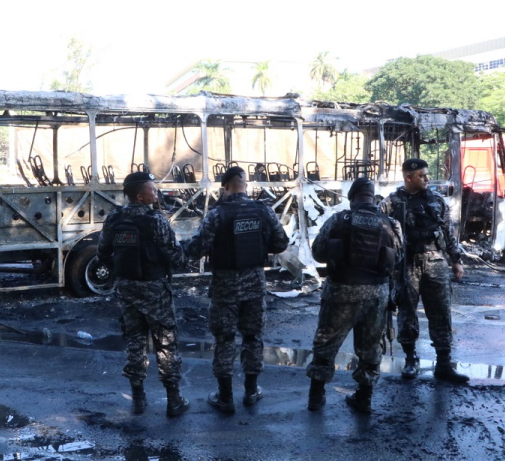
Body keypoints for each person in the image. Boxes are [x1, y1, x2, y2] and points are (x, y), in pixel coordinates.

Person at [185, 166, 289, 413]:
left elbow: (196, 248)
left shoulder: (217, 214)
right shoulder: (263, 211)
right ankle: (251, 392)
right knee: (253, 338)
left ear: (225, 187)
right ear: (245, 184)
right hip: (254, 284)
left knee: (224, 340)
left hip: (224, 287)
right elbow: (281, 242)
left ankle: (225, 396)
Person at [96, 171, 190, 417]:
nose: (156, 193)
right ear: (140, 196)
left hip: (126, 288)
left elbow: (102, 252)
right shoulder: (156, 220)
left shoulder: (114, 218)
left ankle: (138, 399)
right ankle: (173, 400)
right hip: (154, 289)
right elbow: (175, 256)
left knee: (135, 342)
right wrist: (186, 253)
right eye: (153, 189)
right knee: (166, 343)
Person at [306, 177, 403, 413]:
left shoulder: (340, 219)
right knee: (370, 347)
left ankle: (316, 397)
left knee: (326, 343)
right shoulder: (389, 223)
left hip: (342, 290)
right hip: (377, 294)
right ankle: (364, 398)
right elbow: (398, 258)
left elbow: (318, 252)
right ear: (373, 198)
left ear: (352, 198)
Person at [380, 158, 469, 383]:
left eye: (427, 174)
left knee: (441, 311)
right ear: (408, 177)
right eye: (422, 175)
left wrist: (456, 260)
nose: (427, 179)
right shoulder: (391, 202)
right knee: (407, 311)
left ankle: (444, 363)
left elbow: (448, 232)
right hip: (406, 263)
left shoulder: (437, 201)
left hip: (434, 261)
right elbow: (378, 231)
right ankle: (411, 360)